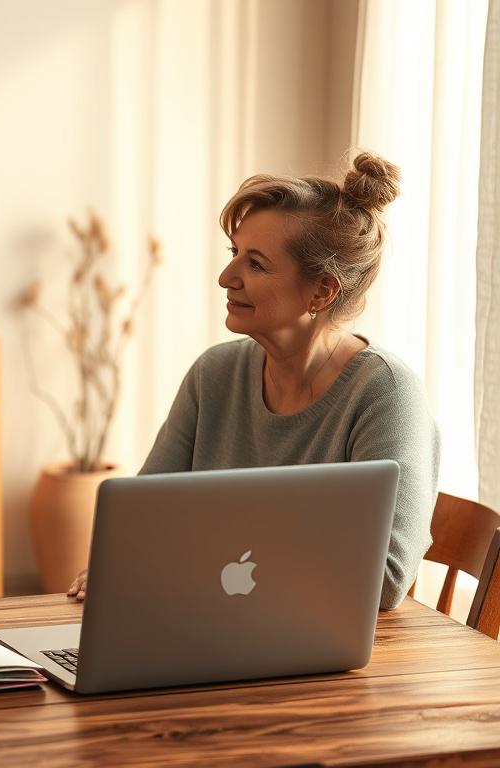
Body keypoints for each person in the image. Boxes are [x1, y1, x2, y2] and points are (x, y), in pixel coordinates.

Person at [67, 152, 440, 610]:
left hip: (328, 654)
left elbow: (383, 581)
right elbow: (140, 526)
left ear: (322, 290)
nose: (227, 277)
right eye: (234, 255)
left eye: (256, 264)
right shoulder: (214, 374)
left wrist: (187, 554)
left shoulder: (385, 393)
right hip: (206, 618)